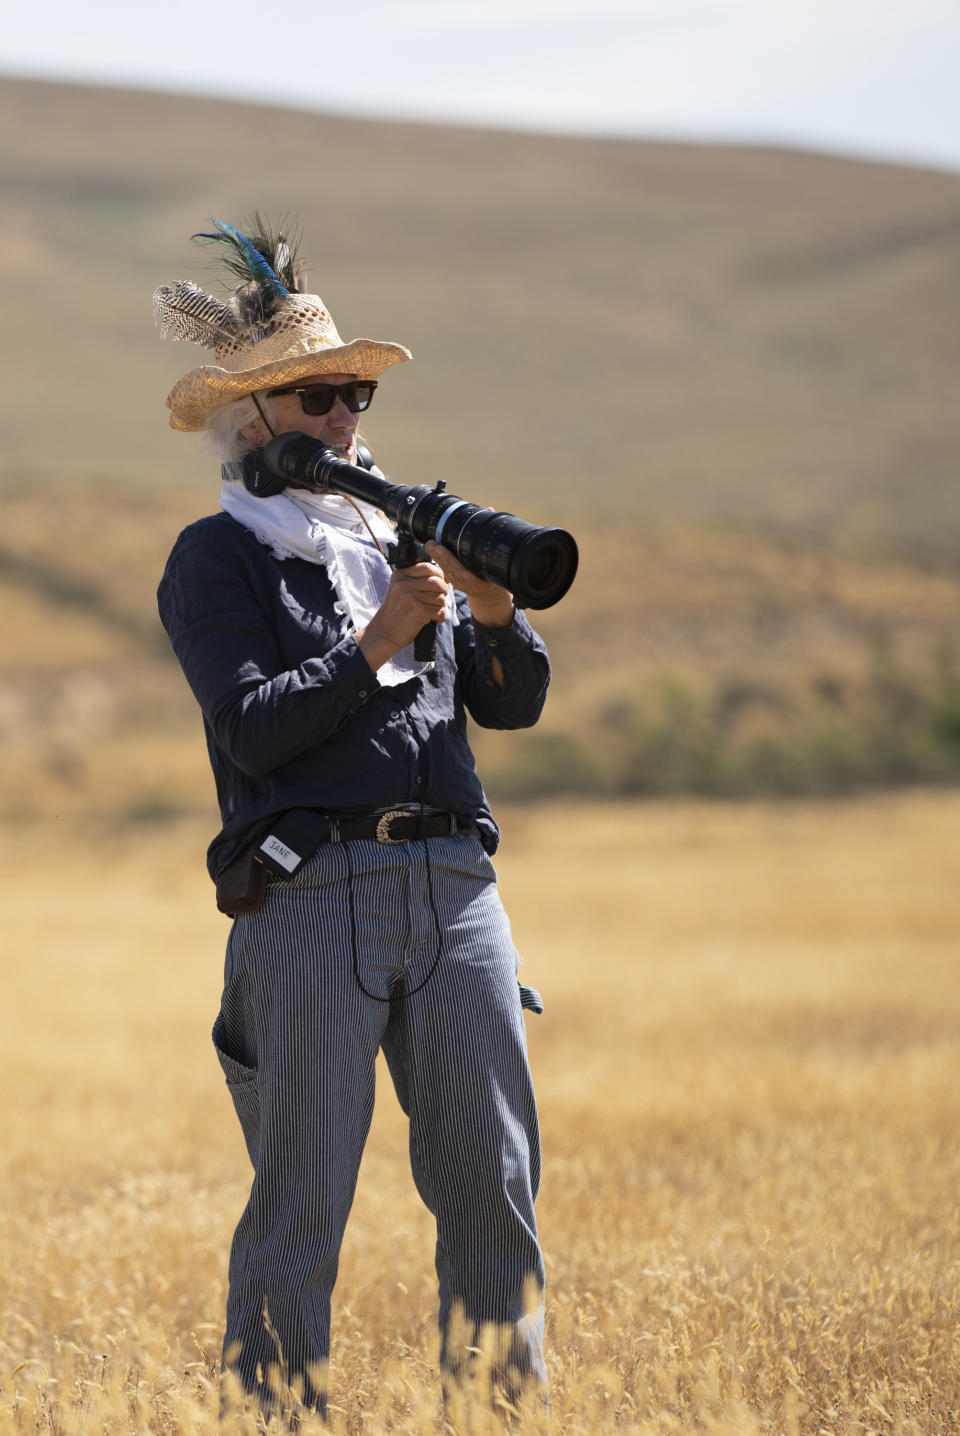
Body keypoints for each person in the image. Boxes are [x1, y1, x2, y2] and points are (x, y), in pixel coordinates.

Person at [154, 218, 550, 1416]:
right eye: (322, 398)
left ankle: (497, 1408)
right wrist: (377, 647)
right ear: (255, 420)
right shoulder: (215, 558)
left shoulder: (401, 538)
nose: (345, 421)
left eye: (355, 394)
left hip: (458, 888)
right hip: (312, 893)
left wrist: (487, 613)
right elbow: (253, 730)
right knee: (302, 1197)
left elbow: (516, 702)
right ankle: (275, 1410)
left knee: (493, 1182)